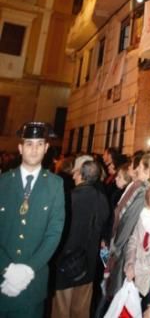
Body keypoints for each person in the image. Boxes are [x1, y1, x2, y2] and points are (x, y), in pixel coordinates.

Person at [0, 122, 65, 317]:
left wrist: (28, 269)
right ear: (20, 148)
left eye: (39, 144)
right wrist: (7, 268)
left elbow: (54, 233)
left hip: (32, 285)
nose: (34, 149)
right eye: (29, 144)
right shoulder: (3, 183)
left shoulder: (55, 184)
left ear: (46, 148)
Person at [105, 153, 150, 303]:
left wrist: (116, 248)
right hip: (135, 250)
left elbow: (129, 221)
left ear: (146, 170)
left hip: (134, 253)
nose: (136, 169)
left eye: (139, 166)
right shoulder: (149, 188)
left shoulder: (146, 192)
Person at [52, 159, 109, 318]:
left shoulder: (69, 198)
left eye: (76, 172)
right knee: (81, 309)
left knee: (61, 309)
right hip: (88, 263)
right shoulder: (101, 198)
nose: (73, 175)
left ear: (82, 176)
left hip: (66, 262)